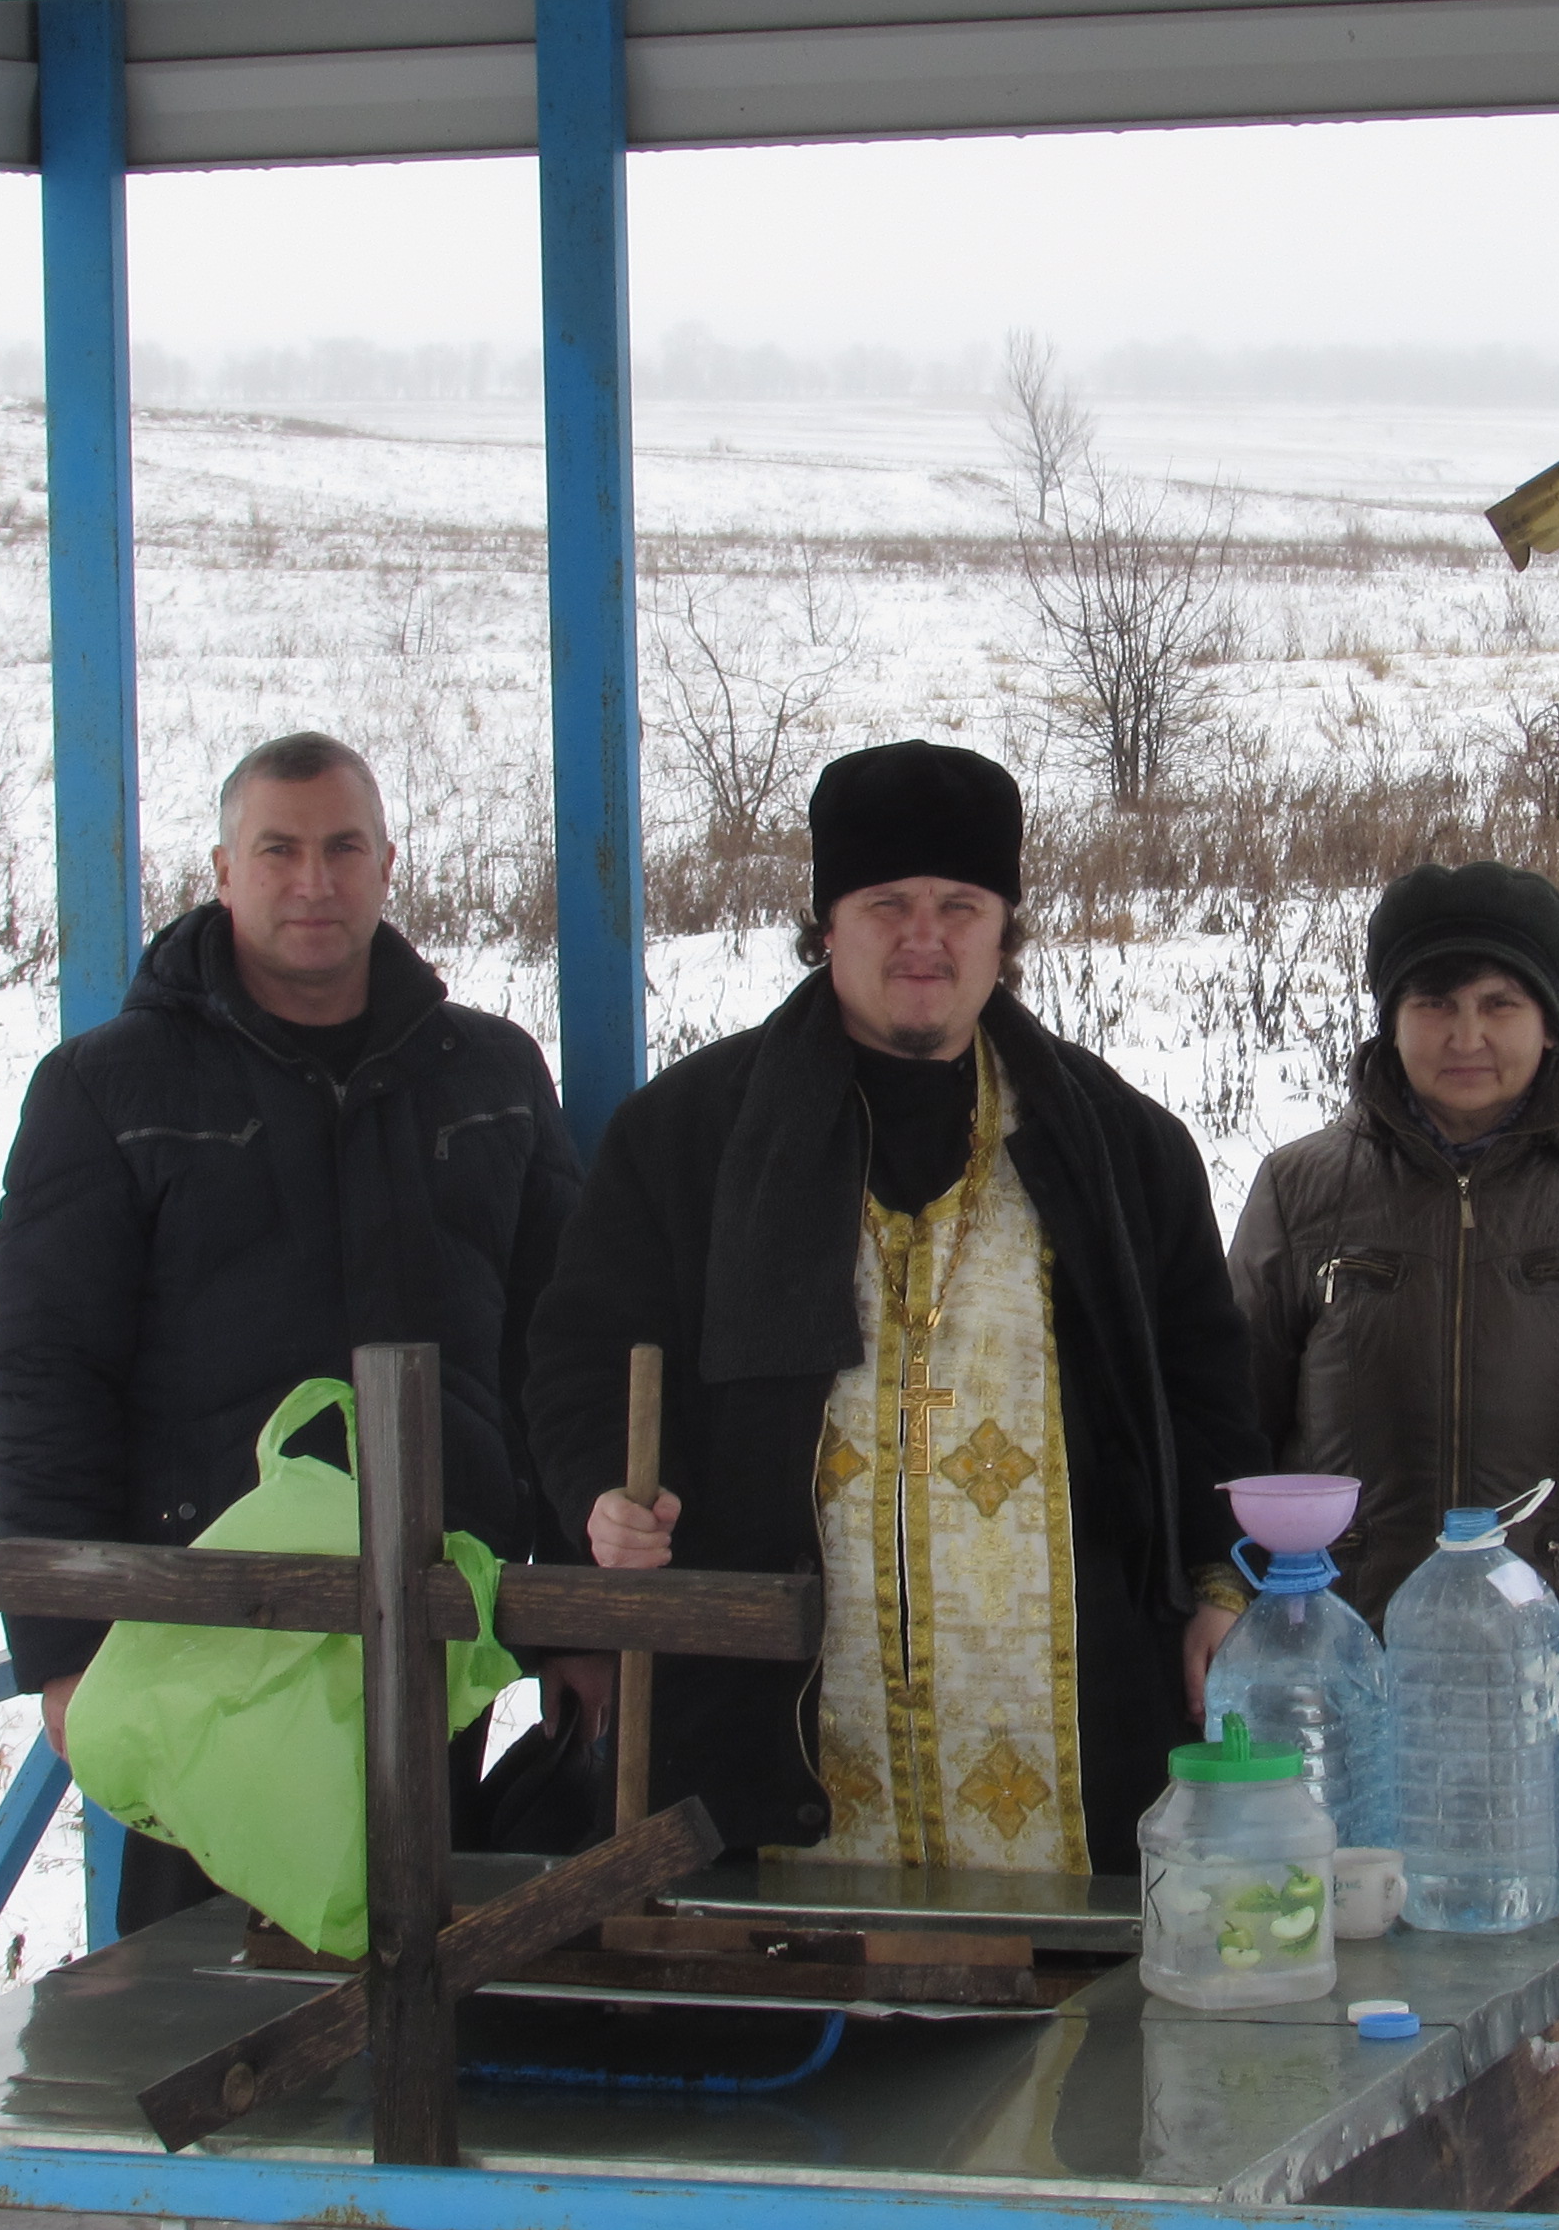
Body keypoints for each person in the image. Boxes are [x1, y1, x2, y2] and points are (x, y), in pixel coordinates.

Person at [524, 740, 1265, 1871]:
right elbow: (582, 1350)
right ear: (826, 925)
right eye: (885, 905)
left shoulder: (1119, 1146)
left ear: (1005, 930)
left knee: (1064, 2024)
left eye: (960, 906)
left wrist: (1219, 1577)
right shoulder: (689, 1138)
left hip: (1066, 1719)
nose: (925, 938)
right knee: (808, 2016)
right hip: (774, 1711)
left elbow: (1204, 1383)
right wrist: (599, 1495)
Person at [0, 731, 581, 1926]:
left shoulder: (492, 1075)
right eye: (280, 849)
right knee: (206, 2004)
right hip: (208, 1646)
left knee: (442, 1981)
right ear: (222, 869)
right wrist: (59, 1648)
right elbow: (47, 1373)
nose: (314, 880)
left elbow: (563, 1352)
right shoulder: (109, 1090)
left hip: (440, 1630)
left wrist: (575, 1618)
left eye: (343, 847)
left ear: (388, 865)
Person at [1227, 861, 1559, 1905]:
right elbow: (1230, 1435)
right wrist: (1234, 1634)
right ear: (1391, 1018)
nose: (1464, 1036)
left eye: (1499, 1004)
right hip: (1356, 1702)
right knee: (1362, 2024)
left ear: (1551, 1019)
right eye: (1432, 1003)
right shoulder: (1304, 1189)